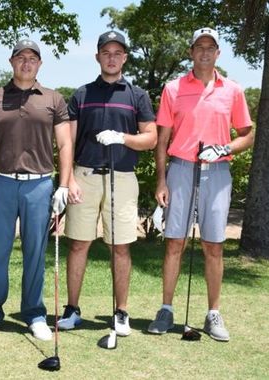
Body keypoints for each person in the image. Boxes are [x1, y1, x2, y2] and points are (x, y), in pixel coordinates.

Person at [147, 27, 253, 342]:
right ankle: (166, 309)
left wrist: (225, 148)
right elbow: (162, 138)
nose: (205, 52)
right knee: (175, 243)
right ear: (191, 52)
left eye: (211, 47)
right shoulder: (173, 88)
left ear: (218, 53)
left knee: (214, 245)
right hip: (180, 170)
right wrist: (161, 180)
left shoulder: (233, 90)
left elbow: (247, 133)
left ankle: (213, 314)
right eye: (199, 47)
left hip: (217, 171)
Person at [0, 39, 72, 341]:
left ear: (39, 64)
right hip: (0, 182)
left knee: (35, 253)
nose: (26, 63)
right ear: (11, 61)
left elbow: (65, 144)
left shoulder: (54, 99)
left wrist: (63, 186)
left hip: (39, 185)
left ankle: (34, 313)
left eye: (32, 58)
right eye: (20, 58)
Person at [58, 31, 157, 337]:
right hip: (84, 177)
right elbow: (68, 141)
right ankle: (73, 309)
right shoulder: (82, 94)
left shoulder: (137, 95)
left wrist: (123, 138)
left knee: (120, 248)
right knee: (78, 244)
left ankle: (121, 312)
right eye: (106, 52)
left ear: (125, 57)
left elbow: (151, 138)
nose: (112, 57)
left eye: (118, 53)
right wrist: (67, 179)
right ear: (98, 56)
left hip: (122, 179)